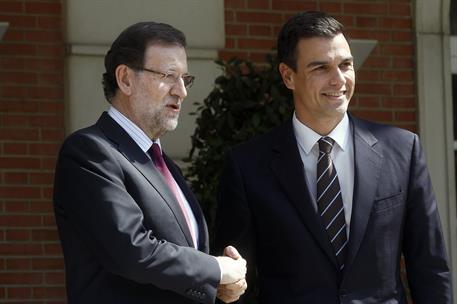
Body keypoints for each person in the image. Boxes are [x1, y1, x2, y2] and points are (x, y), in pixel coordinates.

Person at [215, 11, 452, 304]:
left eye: (346, 65)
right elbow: (236, 284)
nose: (338, 79)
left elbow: (429, 267)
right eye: (321, 68)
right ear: (288, 76)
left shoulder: (403, 150)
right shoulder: (247, 166)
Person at [53, 21, 247, 304]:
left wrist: (215, 285)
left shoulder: (165, 165)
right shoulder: (89, 152)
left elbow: (173, 266)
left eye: (185, 79)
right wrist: (216, 269)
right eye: (169, 76)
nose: (181, 91)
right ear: (125, 79)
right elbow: (133, 251)